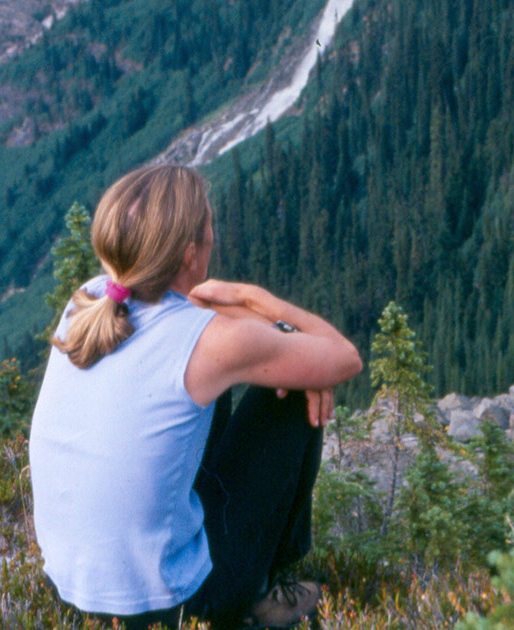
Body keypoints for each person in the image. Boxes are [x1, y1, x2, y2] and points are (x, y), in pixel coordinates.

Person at [29, 164, 362, 629]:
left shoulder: (90, 300)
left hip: (69, 591)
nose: (213, 237)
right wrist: (253, 297)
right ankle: (262, 591)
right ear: (189, 253)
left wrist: (246, 327)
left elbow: (191, 317)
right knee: (288, 398)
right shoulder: (209, 344)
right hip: (173, 608)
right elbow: (343, 356)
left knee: (212, 391)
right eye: (210, 229)